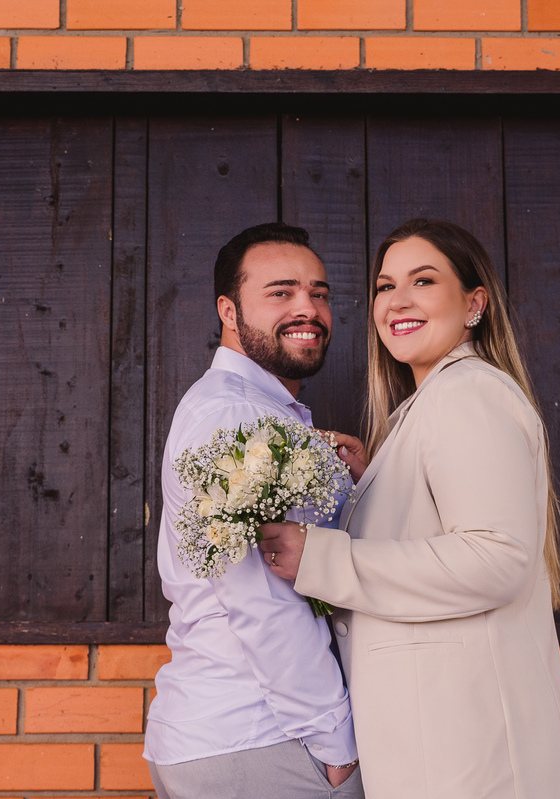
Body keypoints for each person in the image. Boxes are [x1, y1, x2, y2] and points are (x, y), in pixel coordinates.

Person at [259, 219, 560, 798]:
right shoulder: (431, 404)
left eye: (423, 280)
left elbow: (496, 558)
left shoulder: (468, 395)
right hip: (447, 743)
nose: (398, 301)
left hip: (470, 754)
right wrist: (378, 483)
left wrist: (320, 558)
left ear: (474, 304)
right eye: (385, 286)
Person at [143, 222, 363, 799]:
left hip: (240, 738)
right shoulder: (236, 416)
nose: (307, 308)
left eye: (319, 293)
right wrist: (335, 745)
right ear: (228, 311)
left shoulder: (260, 410)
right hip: (263, 737)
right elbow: (259, 594)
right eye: (280, 292)